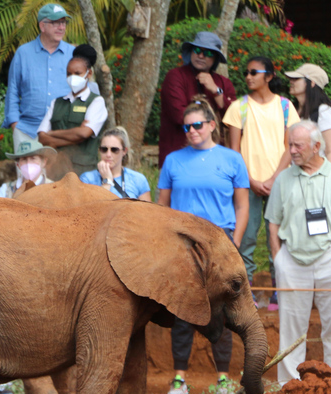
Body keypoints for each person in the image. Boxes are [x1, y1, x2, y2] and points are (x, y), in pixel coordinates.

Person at [158, 97, 250, 394]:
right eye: (187, 126)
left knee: (219, 310)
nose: (192, 130)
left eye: (197, 124)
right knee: (183, 311)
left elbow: (242, 204)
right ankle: (179, 380)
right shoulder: (173, 160)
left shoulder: (232, 159)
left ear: (212, 125)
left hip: (220, 242)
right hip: (183, 243)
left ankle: (223, 378)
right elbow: (163, 206)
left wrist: (234, 241)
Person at [265, 120, 331, 385]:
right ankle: (288, 386)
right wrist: (279, 259)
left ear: (317, 147)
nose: (291, 150)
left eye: (297, 145)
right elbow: (272, 223)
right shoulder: (283, 179)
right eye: (290, 144)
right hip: (292, 260)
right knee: (291, 329)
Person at [223, 56, 300, 305]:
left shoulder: (286, 106)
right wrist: (252, 180)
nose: (248, 77)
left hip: (281, 182)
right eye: (246, 72)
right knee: (246, 239)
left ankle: (281, 291)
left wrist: (275, 176)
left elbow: (291, 146)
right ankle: (245, 294)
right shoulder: (239, 107)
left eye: (254, 72)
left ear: (269, 76)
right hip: (247, 185)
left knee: (280, 239)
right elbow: (234, 150)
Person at [158, 32, 236, 167]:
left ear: (216, 58)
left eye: (208, 53)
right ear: (191, 52)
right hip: (179, 158)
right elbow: (179, 116)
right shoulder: (175, 76)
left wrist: (216, 92)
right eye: (197, 50)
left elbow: (234, 120)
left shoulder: (223, 83)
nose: (201, 55)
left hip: (214, 160)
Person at [3, 3, 75, 149]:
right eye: (56, 23)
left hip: (62, 133)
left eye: (63, 22)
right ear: (42, 26)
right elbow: (13, 91)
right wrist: (15, 124)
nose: (61, 27)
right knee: (29, 173)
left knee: (62, 173)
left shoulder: (73, 53)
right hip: (27, 131)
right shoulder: (23, 53)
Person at [37, 44, 107, 176]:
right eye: (69, 74)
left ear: (89, 73)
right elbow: (42, 137)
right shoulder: (56, 103)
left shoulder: (96, 101)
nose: (72, 77)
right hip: (56, 171)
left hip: (84, 173)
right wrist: (76, 136)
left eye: (77, 73)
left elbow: (84, 133)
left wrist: (52, 134)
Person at [286, 63, 331, 171]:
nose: (291, 82)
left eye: (296, 79)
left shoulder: (323, 112)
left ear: (312, 83)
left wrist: (328, 180)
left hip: (318, 175)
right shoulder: (292, 110)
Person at [80, 126, 151, 200]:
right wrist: (106, 181)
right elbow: (91, 210)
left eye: (114, 150)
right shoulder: (87, 179)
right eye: (104, 149)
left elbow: (148, 210)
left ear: (124, 151)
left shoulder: (138, 179)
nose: (108, 154)